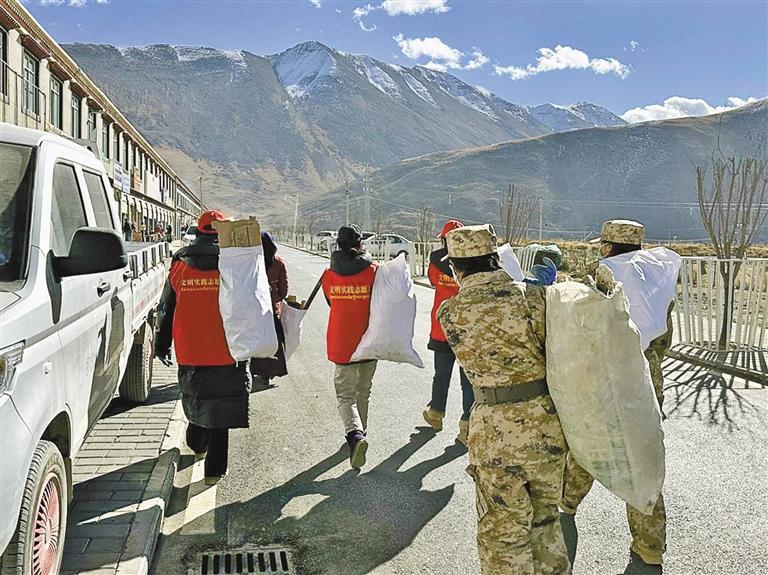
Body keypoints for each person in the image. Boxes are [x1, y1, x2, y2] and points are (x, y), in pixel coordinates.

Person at [437, 224, 570, 575]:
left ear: (455, 267)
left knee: (502, 536)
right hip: (546, 427)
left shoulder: (450, 312)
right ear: (495, 258)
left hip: (494, 435)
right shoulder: (535, 298)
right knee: (545, 522)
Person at [561, 219, 670, 566]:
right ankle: (650, 545)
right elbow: (664, 336)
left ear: (607, 246)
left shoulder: (598, 274)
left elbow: (577, 322)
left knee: (590, 442)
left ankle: (566, 502)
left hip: (606, 374)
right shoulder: (658, 275)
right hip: (647, 374)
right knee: (643, 458)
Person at [155, 209, 250, 485]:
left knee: (196, 396)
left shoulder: (180, 263)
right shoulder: (233, 264)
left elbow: (166, 307)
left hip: (191, 348)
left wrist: (162, 344)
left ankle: (197, 444)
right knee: (222, 406)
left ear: (198, 231)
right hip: (227, 348)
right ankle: (214, 471)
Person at [321, 224, 377, 469]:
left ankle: (355, 436)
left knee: (345, 395)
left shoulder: (329, 275)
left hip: (342, 342)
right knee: (363, 391)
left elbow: (331, 302)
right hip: (370, 340)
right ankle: (361, 433)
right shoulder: (374, 272)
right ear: (360, 243)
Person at [422, 219, 475, 446]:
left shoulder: (435, 260)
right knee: (468, 380)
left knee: (441, 374)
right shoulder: (472, 262)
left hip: (442, 327)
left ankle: (436, 413)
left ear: (444, 239)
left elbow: (434, 281)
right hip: (467, 329)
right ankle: (467, 425)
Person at [250, 231, 289, 387]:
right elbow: (284, 291)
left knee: (255, 340)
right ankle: (267, 374)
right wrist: (275, 297)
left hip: (254, 310)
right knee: (272, 342)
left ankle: (253, 370)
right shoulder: (278, 263)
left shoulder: (252, 262)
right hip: (271, 310)